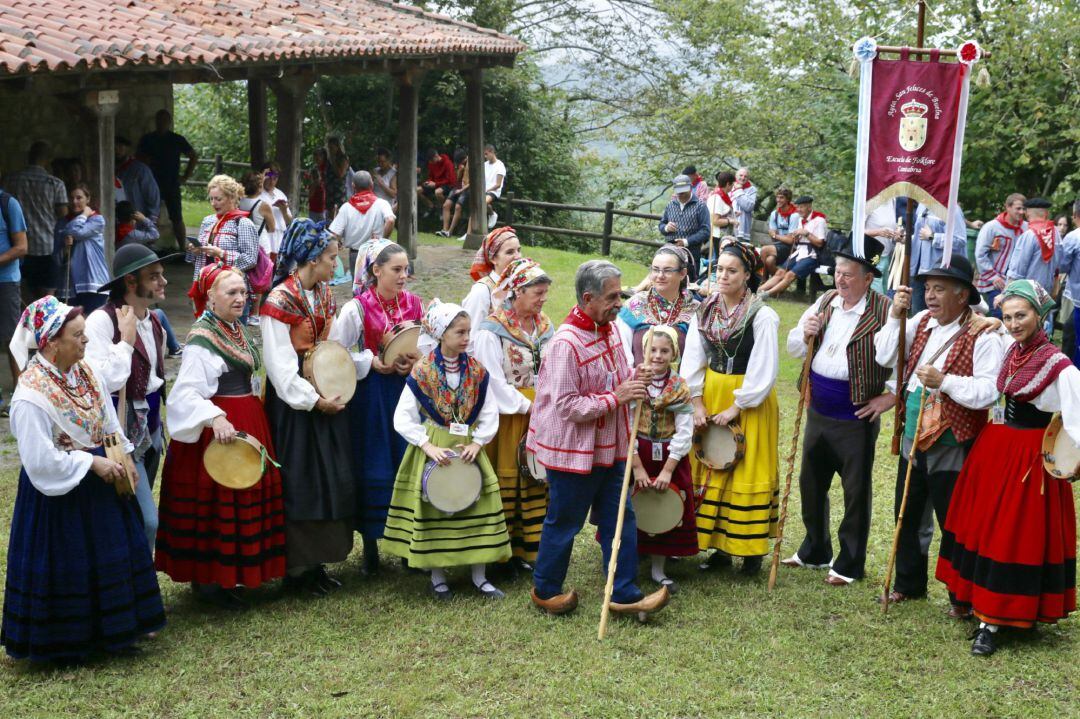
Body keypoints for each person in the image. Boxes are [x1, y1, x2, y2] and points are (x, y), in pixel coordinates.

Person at [3, 297, 164, 661]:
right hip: (59, 494)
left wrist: (122, 451)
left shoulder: (84, 370)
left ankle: (117, 634)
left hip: (101, 478)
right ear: (50, 343)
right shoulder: (30, 395)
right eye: (77, 335)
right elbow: (39, 461)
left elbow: (107, 417)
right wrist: (91, 464)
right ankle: (70, 644)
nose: (86, 340)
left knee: (110, 553)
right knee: (70, 560)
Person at [933, 280, 1079, 656]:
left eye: (1022, 315)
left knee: (1013, 534)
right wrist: (989, 324)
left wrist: (1069, 462)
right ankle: (981, 603)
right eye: (1008, 316)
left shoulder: (1060, 367)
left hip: (1031, 458)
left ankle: (994, 619)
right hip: (996, 447)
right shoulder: (1011, 350)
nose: (1013, 323)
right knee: (985, 527)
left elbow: (1076, 422)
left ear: (1040, 314)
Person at [527, 260, 670, 618]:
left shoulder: (608, 329)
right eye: (611, 297)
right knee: (565, 521)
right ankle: (545, 589)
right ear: (588, 298)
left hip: (613, 445)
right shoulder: (565, 344)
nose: (619, 303)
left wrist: (634, 375)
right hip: (574, 451)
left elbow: (615, 376)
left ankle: (623, 592)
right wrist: (616, 397)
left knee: (620, 518)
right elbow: (565, 406)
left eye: (620, 295)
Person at [874, 254, 1003, 606]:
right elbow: (885, 355)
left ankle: (961, 594)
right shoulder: (920, 321)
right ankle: (909, 583)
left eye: (939, 289)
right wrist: (894, 316)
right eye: (927, 288)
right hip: (913, 434)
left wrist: (945, 381)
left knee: (955, 520)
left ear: (963, 295)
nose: (930, 296)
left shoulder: (984, 334)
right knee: (908, 510)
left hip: (954, 440)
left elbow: (989, 391)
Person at [156, 262, 286, 609]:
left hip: (248, 419)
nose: (241, 298)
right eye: (232, 292)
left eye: (244, 291)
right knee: (220, 500)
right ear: (210, 297)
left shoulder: (234, 328)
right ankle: (213, 580)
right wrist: (215, 418)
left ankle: (239, 572)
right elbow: (185, 393)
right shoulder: (202, 337)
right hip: (221, 429)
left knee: (245, 494)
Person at [781, 237, 895, 585]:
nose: (840, 280)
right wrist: (804, 331)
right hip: (818, 407)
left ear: (868, 278)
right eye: (837, 272)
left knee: (855, 491)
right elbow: (794, 348)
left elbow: (906, 358)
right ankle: (815, 550)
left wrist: (889, 397)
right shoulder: (826, 300)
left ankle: (849, 564)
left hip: (854, 414)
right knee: (810, 483)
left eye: (848, 275)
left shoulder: (887, 311)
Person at [382, 301, 511, 599]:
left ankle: (480, 576)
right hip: (435, 448)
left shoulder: (476, 371)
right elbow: (403, 415)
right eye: (460, 332)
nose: (467, 338)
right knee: (435, 509)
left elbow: (489, 410)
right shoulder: (423, 371)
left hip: (468, 448)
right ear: (441, 333)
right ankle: (438, 577)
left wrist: (479, 442)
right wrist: (426, 445)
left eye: (468, 332)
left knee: (478, 506)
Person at [261, 220, 353, 596]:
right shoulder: (278, 303)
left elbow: (328, 349)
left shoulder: (323, 293)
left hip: (324, 398)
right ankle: (296, 569)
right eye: (332, 257)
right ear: (312, 259)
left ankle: (317, 563)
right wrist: (314, 401)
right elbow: (281, 369)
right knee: (301, 480)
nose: (336, 264)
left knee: (327, 478)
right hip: (295, 407)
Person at [682, 240, 780, 574]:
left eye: (732, 270)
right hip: (712, 393)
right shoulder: (705, 309)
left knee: (747, 467)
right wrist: (696, 402)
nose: (723, 276)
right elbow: (693, 357)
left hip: (748, 398)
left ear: (748, 274)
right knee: (713, 464)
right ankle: (718, 547)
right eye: (719, 269)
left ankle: (750, 551)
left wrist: (738, 406)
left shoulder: (762, 314)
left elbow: (764, 367)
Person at [84, 244, 178, 550]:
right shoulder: (102, 321)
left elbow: (153, 380)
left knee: (134, 515)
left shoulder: (154, 320)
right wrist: (124, 340)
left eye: (161, 275)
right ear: (130, 282)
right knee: (146, 519)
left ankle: (134, 582)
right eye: (154, 276)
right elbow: (103, 383)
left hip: (150, 426)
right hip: (118, 430)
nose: (163, 282)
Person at [345, 240, 424, 575]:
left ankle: (409, 546)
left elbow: (431, 345)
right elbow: (338, 351)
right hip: (373, 397)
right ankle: (371, 548)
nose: (403, 276)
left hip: (408, 393)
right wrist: (371, 361)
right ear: (376, 270)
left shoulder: (415, 304)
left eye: (406, 269)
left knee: (408, 461)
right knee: (376, 462)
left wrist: (416, 361)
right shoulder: (357, 309)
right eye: (396, 269)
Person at [473, 258, 553, 573]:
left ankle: (529, 550)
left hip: (542, 412)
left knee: (536, 477)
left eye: (545, 292)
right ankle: (500, 554)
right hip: (508, 416)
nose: (543, 298)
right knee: (509, 475)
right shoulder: (492, 329)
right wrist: (526, 406)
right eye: (538, 292)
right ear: (516, 291)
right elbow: (491, 378)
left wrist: (547, 405)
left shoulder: (546, 326)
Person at [630, 325, 698, 592]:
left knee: (664, 507)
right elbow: (627, 426)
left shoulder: (679, 387)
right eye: (652, 350)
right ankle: (630, 559)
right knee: (633, 507)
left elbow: (685, 430)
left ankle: (659, 568)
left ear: (674, 354)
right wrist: (636, 467)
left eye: (664, 350)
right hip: (640, 454)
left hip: (670, 456)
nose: (657, 356)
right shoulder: (636, 382)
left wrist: (669, 470)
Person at [3, 140, 68, 301]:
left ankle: (28, 323)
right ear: (47, 160)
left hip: (18, 246)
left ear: (29, 157)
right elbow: (63, 213)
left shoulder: (11, 180)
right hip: (47, 247)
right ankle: (44, 325)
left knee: (23, 295)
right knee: (47, 297)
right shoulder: (55, 183)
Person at [188, 175, 259, 319]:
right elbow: (195, 260)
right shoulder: (207, 221)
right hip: (205, 289)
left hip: (231, 293)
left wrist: (221, 253)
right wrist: (194, 250)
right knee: (206, 334)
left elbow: (251, 259)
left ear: (232, 198)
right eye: (211, 199)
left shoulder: (243, 223)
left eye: (218, 199)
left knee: (231, 338)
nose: (214, 203)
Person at [616, 244, 699, 365]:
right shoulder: (633, 306)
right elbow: (622, 354)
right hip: (638, 380)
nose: (660, 276)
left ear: (682, 273)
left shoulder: (695, 310)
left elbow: (697, 358)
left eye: (667, 270)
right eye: (655, 269)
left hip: (681, 382)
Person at [137, 110, 198, 251]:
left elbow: (193, 156)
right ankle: (149, 247)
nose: (162, 123)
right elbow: (137, 157)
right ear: (156, 121)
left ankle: (182, 247)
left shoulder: (176, 139)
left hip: (171, 183)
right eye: (160, 120)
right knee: (150, 216)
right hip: (152, 183)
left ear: (169, 122)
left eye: (165, 120)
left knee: (176, 217)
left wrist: (185, 176)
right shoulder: (148, 139)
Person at [460, 226, 522, 346]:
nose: (518, 256)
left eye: (519, 250)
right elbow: (469, 339)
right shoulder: (482, 291)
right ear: (493, 258)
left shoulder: (518, 286)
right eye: (510, 252)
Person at [55, 183, 109, 313]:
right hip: (69, 284)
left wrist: (84, 214)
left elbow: (76, 232)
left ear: (88, 199)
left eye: (79, 198)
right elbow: (56, 256)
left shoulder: (96, 220)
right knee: (70, 328)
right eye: (71, 198)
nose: (74, 202)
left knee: (92, 326)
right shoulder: (62, 222)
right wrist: (64, 248)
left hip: (92, 282)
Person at [329, 171, 396, 274]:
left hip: (356, 255)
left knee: (358, 288)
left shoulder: (346, 207)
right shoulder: (382, 204)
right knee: (376, 286)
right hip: (376, 252)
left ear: (353, 186)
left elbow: (334, 234)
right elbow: (390, 220)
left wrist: (337, 244)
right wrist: (382, 240)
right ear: (372, 184)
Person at [759, 195, 825, 297]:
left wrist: (806, 233)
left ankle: (766, 294)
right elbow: (796, 239)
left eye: (801, 207)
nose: (798, 210)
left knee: (789, 275)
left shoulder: (819, 220)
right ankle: (757, 291)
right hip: (798, 252)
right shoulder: (800, 220)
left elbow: (820, 243)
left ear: (809, 206)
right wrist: (797, 237)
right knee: (780, 272)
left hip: (812, 255)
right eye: (797, 207)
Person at [909, 202, 970, 313]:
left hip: (941, 274)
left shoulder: (953, 209)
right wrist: (906, 238)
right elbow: (920, 236)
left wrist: (933, 237)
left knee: (939, 315)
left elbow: (960, 240)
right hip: (919, 274)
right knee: (919, 316)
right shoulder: (922, 205)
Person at [975, 193, 1027, 316]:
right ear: (1007, 207)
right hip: (995, 282)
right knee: (999, 315)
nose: (1021, 212)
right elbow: (980, 255)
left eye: (1024, 209)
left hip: (1016, 282)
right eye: (1018, 208)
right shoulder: (992, 227)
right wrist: (994, 277)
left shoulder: (1026, 228)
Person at [1006, 198, 1061, 299]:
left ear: (1027, 214)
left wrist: (1007, 295)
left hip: (1027, 295)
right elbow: (1058, 266)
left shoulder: (1028, 236)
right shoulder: (1056, 234)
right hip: (1046, 295)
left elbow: (1017, 270)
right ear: (1047, 214)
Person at [658, 174, 710, 282]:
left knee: (687, 284)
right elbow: (661, 225)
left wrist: (686, 241)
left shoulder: (701, 206)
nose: (680, 194)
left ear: (691, 188)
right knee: (666, 279)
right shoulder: (670, 205)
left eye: (683, 191)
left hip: (691, 254)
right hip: (671, 251)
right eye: (678, 191)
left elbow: (706, 231)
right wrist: (666, 228)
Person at [0, 190, 27, 389]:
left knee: (12, 340)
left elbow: (21, 247)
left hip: (6, 281)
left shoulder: (8, 204)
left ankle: (21, 393)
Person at [115, 136, 160, 222]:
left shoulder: (141, 170)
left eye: (120, 146)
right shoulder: (108, 169)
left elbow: (152, 196)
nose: (117, 150)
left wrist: (150, 221)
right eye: (114, 147)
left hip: (136, 222)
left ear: (128, 149)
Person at [759, 187, 799, 278]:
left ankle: (763, 281)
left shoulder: (794, 215)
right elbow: (772, 234)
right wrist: (778, 236)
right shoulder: (775, 214)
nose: (778, 200)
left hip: (792, 248)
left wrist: (776, 235)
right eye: (777, 197)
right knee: (769, 261)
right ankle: (780, 281)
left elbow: (790, 241)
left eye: (781, 198)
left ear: (787, 199)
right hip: (778, 245)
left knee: (764, 250)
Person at [1060, 199, 1080, 367]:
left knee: (1072, 337)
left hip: (1077, 298)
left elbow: (1062, 265)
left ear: (1075, 216)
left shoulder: (1073, 237)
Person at [259, 161, 292, 257]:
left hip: (279, 238)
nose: (272, 181)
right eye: (269, 178)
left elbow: (289, 221)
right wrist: (260, 180)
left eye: (275, 178)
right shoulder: (257, 193)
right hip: (265, 236)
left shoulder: (280, 194)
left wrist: (284, 210)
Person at [706, 172, 737, 267]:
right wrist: (730, 220)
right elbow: (715, 221)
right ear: (728, 184)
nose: (733, 187)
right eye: (732, 184)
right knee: (720, 262)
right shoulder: (717, 198)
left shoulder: (723, 196)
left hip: (724, 235)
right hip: (718, 236)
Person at [438, 154, 471, 238]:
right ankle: (445, 230)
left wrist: (461, 190)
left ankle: (450, 231)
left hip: (467, 189)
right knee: (446, 205)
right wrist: (460, 171)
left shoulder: (472, 163)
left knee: (457, 207)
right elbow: (458, 178)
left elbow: (472, 182)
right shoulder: (461, 164)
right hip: (458, 186)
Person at [419, 149, 455, 213]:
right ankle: (431, 207)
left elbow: (450, 180)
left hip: (447, 185)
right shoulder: (431, 163)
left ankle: (446, 209)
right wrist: (428, 182)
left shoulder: (447, 163)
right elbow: (431, 176)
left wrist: (436, 184)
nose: (431, 162)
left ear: (436, 156)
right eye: (430, 161)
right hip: (435, 184)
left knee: (438, 192)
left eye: (432, 160)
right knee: (417, 190)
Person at [324, 136, 350, 219]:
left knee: (337, 214)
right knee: (329, 215)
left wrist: (333, 160)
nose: (330, 150)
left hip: (338, 192)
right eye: (329, 148)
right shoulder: (329, 159)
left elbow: (340, 174)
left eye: (332, 147)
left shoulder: (343, 158)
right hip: (329, 192)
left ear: (337, 147)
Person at [730, 167, 757, 242]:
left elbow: (749, 206)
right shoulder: (730, 186)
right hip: (728, 226)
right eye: (741, 175)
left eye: (745, 176)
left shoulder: (752, 189)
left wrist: (739, 190)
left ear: (748, 178)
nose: (743, 178)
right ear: (736, 176)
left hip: (742, 228)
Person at [482, 144, 506, 226]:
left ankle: (478, 228)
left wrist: (487, 190)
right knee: (478, 203)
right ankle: (492, 214)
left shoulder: (500, 165)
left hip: (494, 191)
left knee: (482, 203)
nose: (485, 156)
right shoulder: (485, 165)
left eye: (486, 154)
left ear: (492, 152)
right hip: (484, 190)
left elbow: (498, 185)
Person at [304, 147, 328, 223]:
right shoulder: (314, 169)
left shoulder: (328, 168)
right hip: (313, 207)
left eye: (319, 155)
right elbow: (309, 187)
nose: (317, 157)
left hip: (324, 207)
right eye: (315, 155)